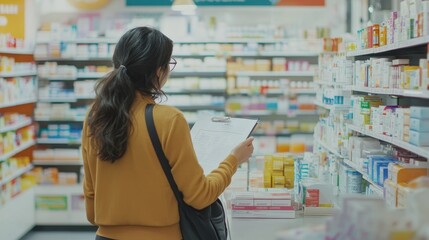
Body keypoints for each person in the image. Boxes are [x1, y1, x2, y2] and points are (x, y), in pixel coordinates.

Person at [81, 26, 254, 240]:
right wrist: (233, 160)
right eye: (169, 64)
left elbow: (91, 204)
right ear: (158, 71)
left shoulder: (94, 117)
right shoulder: (169, 119)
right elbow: (200, 197)